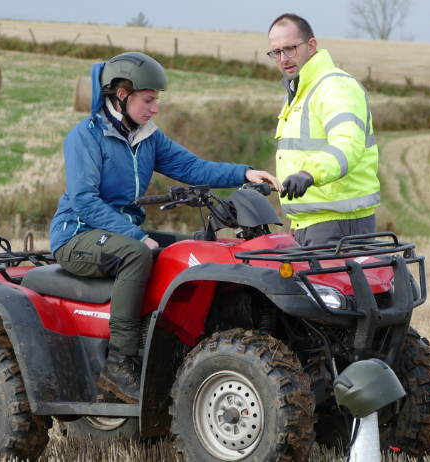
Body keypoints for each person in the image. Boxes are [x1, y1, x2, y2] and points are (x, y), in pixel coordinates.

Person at [48, 51, 279, 403]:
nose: (155, 108)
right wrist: (137, 235)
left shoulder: (147, 138)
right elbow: (84, 202)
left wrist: (244, 173)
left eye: (156, 100)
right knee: (137, 253)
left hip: (116, 232)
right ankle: (119, 363)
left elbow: (195, 168)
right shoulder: (86, 136)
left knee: (182, 252)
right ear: (121, 96)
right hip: (77, 234)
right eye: (148, 100)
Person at [266, 13, 381, 246]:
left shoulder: (334, 86)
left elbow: (348, 142)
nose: (283, 59)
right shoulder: (300, 92)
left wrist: (309, 173)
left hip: (340, 225)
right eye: (276, 53)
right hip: (307, 224)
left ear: (311, 45)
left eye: (290, 49)